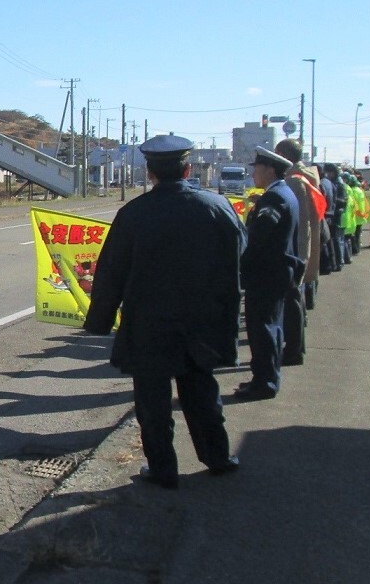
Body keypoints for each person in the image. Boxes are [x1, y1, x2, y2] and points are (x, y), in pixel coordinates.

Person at [84, 135, 245, 488]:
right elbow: (239, 257)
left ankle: (163, 468)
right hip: (203, 320)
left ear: (150, 172)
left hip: (149, 324)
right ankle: (217, 457)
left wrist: (99, 321)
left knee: (152, 402)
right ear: (187, 169)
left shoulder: (134, 214)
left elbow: (110, 272)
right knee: (202, 392)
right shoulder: (218, 207)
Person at [237, 147, 303, 402]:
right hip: (275, 272)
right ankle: (265, 377)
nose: (253, 173)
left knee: (263, 329)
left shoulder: (274, 198)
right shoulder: (281, 193)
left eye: (257, 168)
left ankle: (264, 382)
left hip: (267, 273)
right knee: (271, 327)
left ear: (270, 169)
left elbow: (260, 238)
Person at [272, 139, 323, 364]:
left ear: (283, 154)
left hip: (295, 248)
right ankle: (296, 345)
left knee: (291, 301)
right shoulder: (307, 175)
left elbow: (296, 220)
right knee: (296, 299)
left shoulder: (294, 181)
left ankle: (293, 349)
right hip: (303, 246)